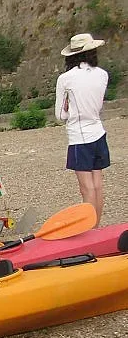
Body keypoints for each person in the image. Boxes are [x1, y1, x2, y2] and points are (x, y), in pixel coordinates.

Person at [55, 32, 109, 227]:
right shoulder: (103, 74)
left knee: (86, 188)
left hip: (79, 136)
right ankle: (97, 228)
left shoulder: (65, 79)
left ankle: (89, 230)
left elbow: (60, 115)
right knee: (98, 185)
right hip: (98, 131)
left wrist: (70, 110)